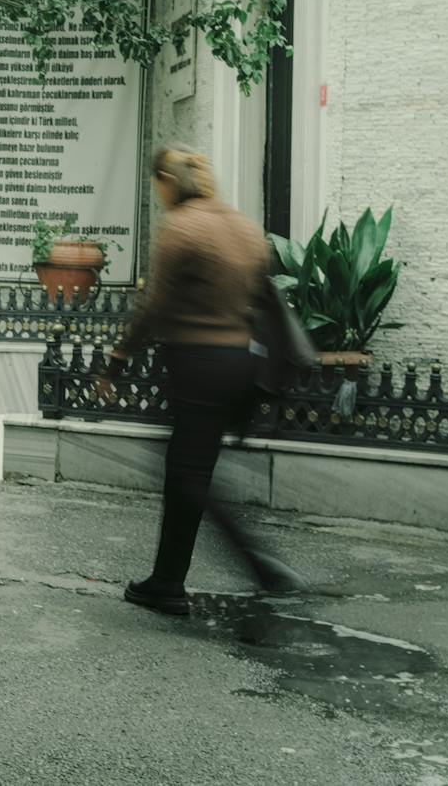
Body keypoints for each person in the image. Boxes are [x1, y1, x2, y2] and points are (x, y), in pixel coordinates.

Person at [99, 146, 302, 615]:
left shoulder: (183, 229)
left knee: (188, 478)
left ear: (168, 181)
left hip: (198, 365)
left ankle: (223, 573)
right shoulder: (245, 228)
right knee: (192, 475)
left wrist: (117, 359)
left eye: (158, 183)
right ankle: (171, 580)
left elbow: (155, 307)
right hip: (241, 364)